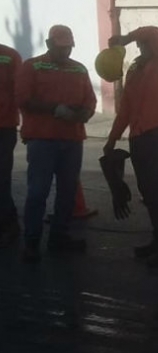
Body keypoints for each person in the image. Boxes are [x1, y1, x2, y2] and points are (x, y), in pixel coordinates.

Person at [15, 25, 96, 262]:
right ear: (49, 44)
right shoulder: (32, 66)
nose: (65, 52)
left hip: (71, 139)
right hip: (42, 139)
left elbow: (89, 99)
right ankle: (31, 242)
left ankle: (59, 237)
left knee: (67, 192)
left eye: (68, 48)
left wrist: (84, 113)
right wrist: (54, 109)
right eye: (60, 48)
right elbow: (23, 99)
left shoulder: (79, 69)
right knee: (38, 191)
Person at [104, 26, 158, 268]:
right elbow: (126, 107)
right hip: (138, 135)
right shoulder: (135, 69)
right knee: (148, 191)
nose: (141, 47)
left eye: (143, 43)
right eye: (139, 45)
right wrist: (113, 137)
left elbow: (153, 31)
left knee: (157, 192)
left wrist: (125, 38)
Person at [0, 42, 22, 248]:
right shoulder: (10, 55)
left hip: (3, 127)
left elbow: (20, 91)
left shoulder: (9, 56)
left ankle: (9, 224)